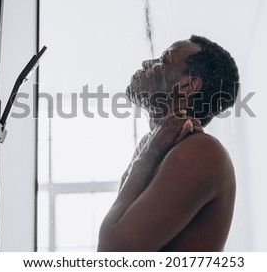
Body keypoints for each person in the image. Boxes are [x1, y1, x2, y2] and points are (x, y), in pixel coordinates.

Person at [97, 35, 239, 251]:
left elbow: (113, 251)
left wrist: (147, 156)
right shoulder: (156, 147)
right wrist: (149, 151)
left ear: (188, 85)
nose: (147, 63)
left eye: (163, 60)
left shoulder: (202, 151)